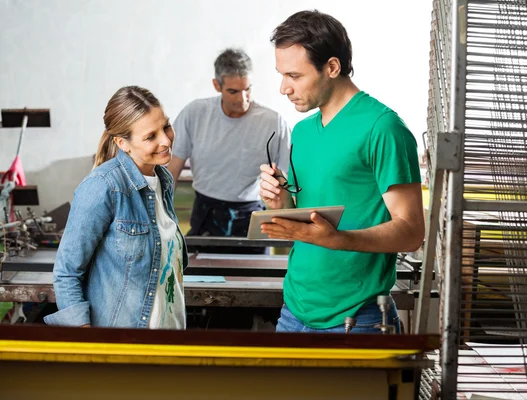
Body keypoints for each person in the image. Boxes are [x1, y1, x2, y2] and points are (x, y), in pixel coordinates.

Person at [260, 10, 425, 333]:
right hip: (294, 309)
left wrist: (338, 239)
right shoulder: (304, 131)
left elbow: (411, 232)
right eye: (282, 75)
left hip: (357, 316)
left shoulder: (383, 128)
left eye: (294, 76)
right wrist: (278, 201)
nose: (283, 88)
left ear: (332, 67)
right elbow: (301, 216)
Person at [44, 86, 187, 329]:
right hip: (124, 343)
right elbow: (67, 273)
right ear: (123, 143)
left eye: (166, 126)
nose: (165, 139)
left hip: (170, 338)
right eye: (151, 136)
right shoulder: (103, 187)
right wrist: (88, 339)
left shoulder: (163, 180)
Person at [168, 48, 291, 254]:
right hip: (205, 213)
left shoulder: (273, 122)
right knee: (198, 280)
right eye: (233, 91)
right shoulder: (195, 113)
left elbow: (291, 179)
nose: (242, 98)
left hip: (251, 215)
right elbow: (171, 171)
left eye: (248, 89)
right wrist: (159, 215)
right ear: (217, 85)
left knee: (255, 282)